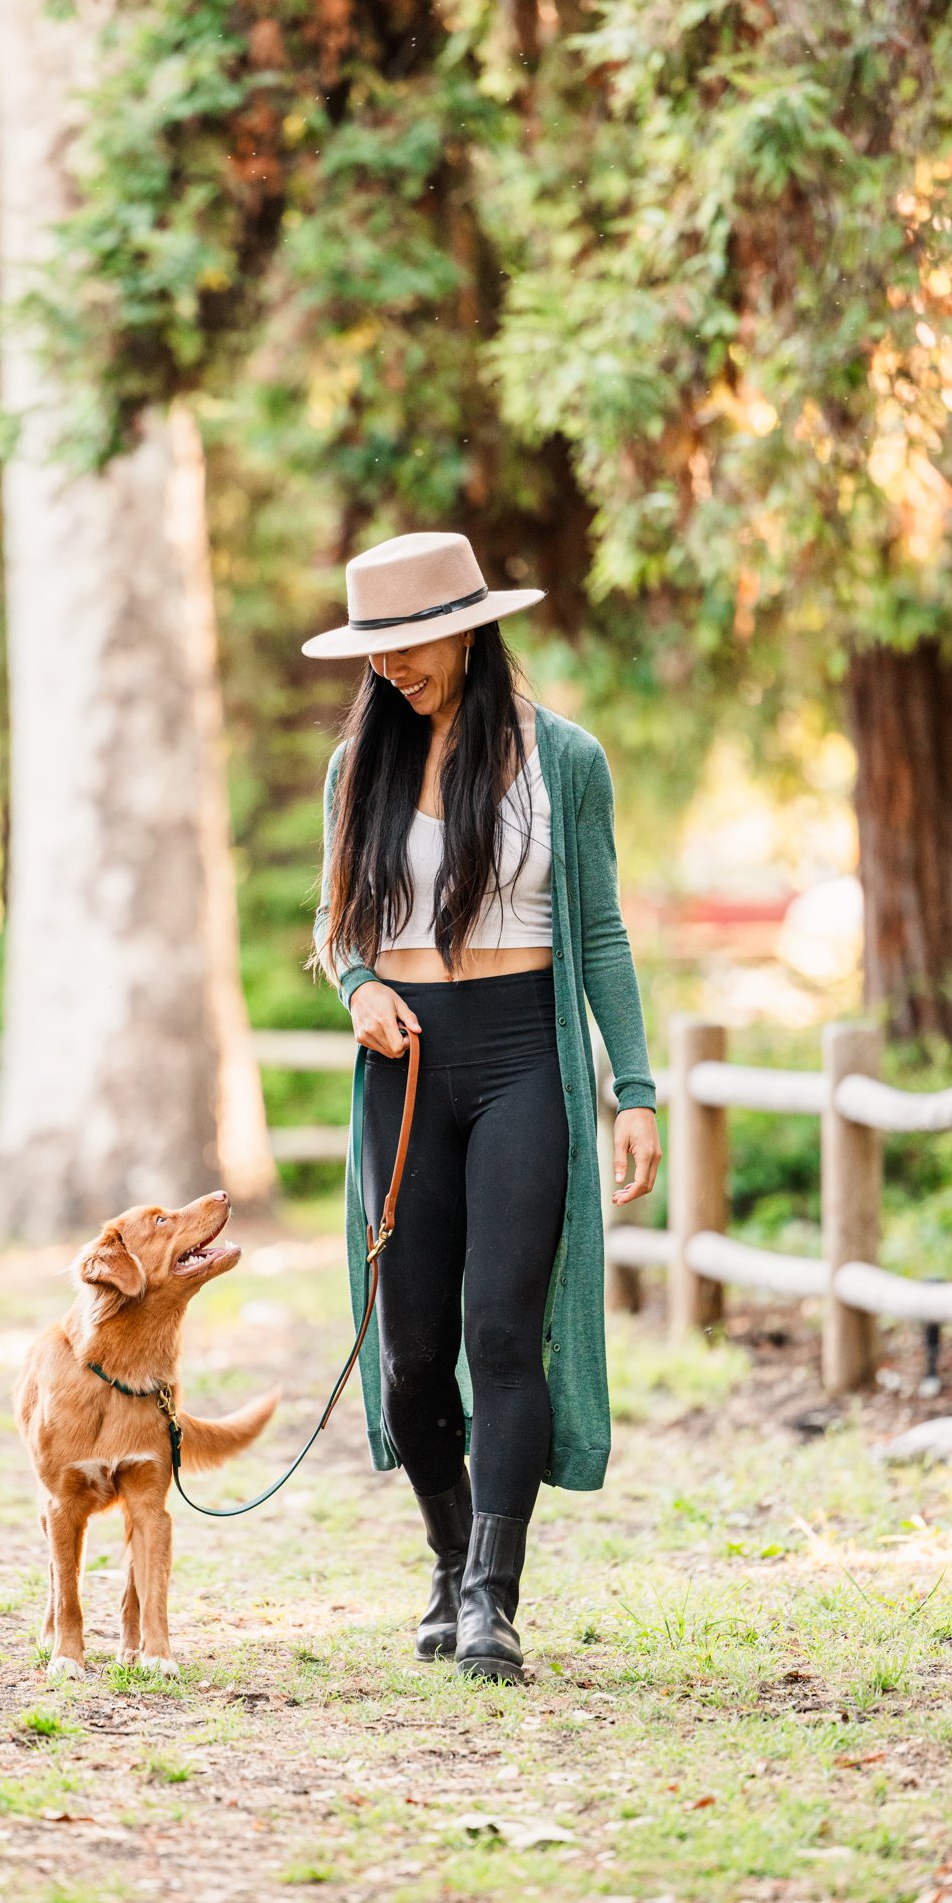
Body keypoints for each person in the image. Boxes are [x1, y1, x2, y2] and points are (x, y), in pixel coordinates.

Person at [302, 530, 661, 1683]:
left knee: (502, 1332)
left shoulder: (564, 761)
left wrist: (633, 1091)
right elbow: (335, 923)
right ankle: (449, 1558)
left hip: (522, 1062)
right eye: (375, 649)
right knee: (410, 1352)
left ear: (464, 628)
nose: (389, 667)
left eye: (406, 643)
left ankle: (492, 1601)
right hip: (404, 1070)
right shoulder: (355, 764)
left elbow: (598, 934)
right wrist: (358, 987)